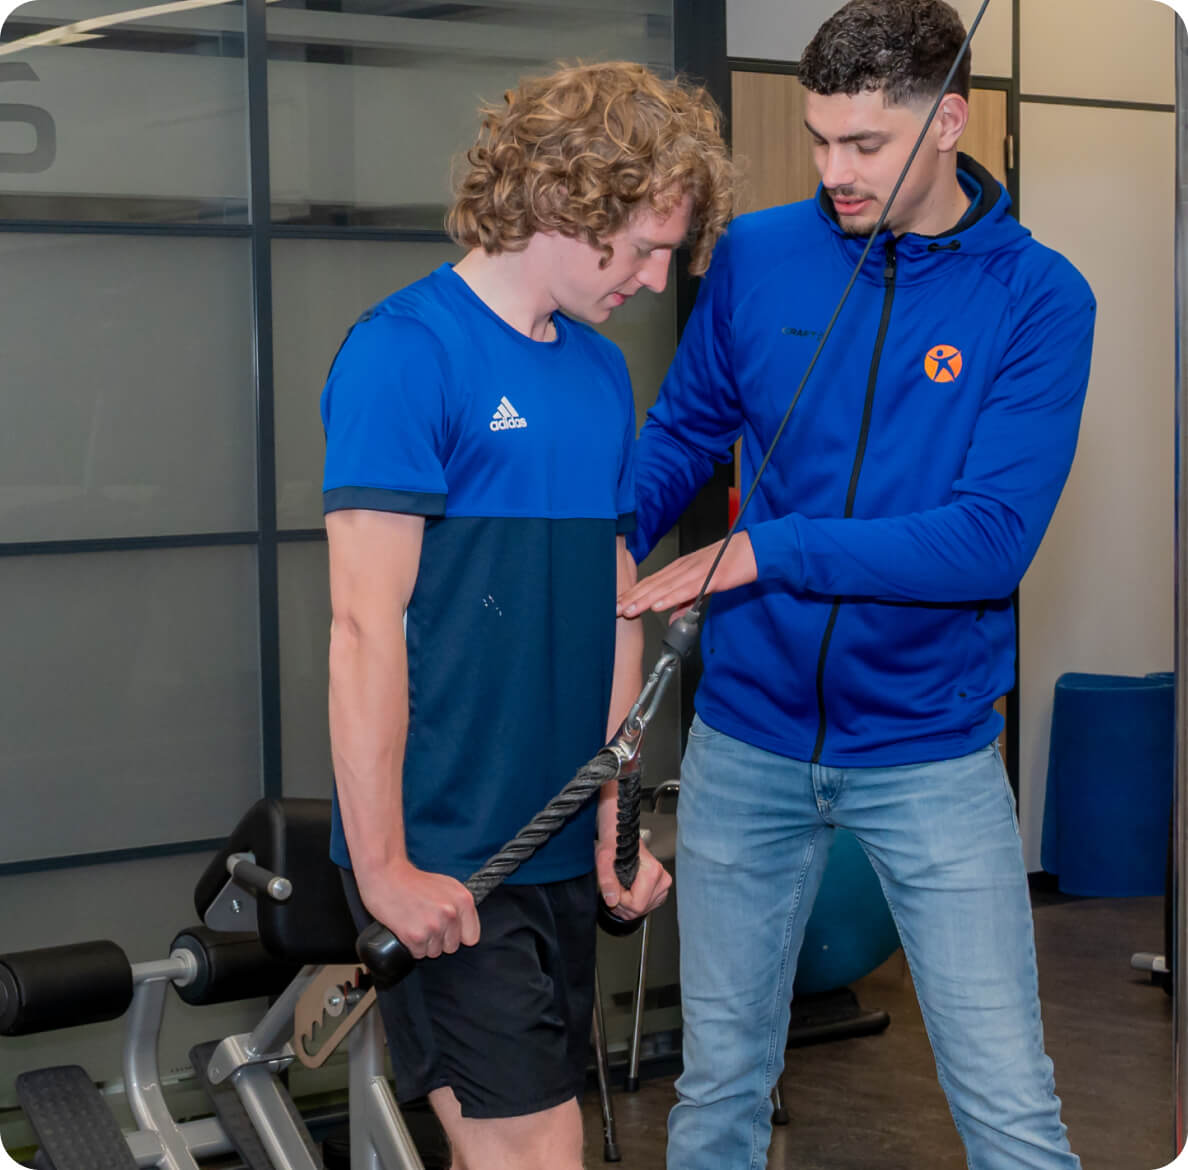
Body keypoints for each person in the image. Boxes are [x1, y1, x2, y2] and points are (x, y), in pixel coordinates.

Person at [616, 3, 1096, 1168]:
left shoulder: (1039, 300)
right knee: (718, 1088)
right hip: (745, 739)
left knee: (1010, 1111)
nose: (833, 170)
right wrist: (589, 544)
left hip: (930, 752)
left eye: (864, 145)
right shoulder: (763, 257)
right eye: (819, 138)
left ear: (949, 121)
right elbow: (683, 434)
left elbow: (986, 541)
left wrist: (773, 551)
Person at [320, 61, 733, 1170]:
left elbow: (613, 612)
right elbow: (361, 630)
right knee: (536, 1154)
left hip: (552, 848)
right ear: (566, 200)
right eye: (643, 247)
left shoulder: (599, 375)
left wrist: (614, 819)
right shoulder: (407, 354)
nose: (654, 282)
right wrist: (386, 871)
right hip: (451, 861)